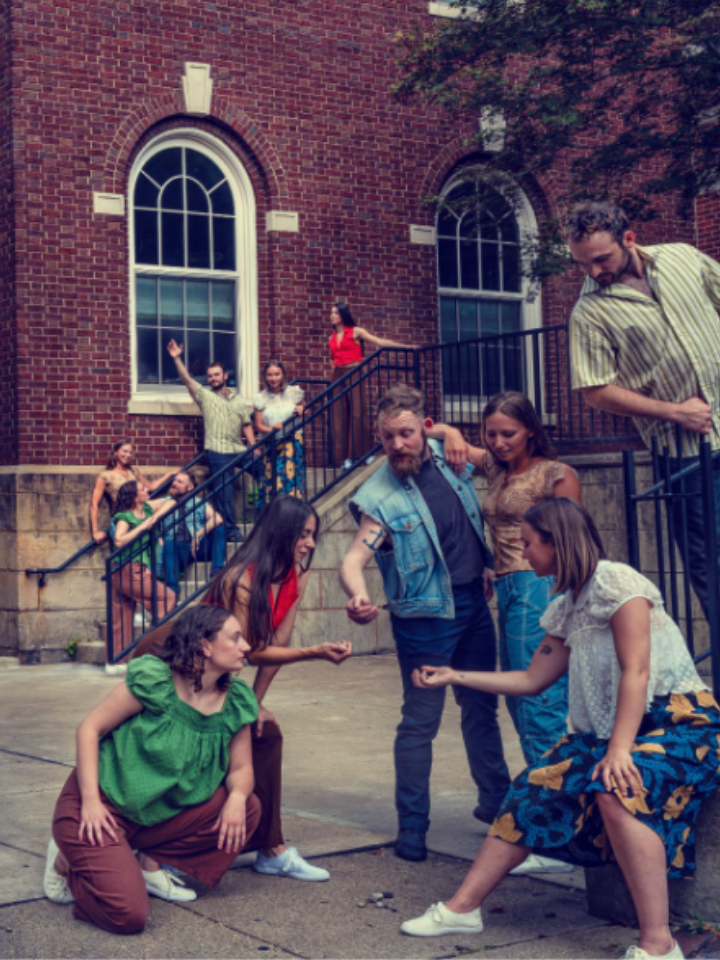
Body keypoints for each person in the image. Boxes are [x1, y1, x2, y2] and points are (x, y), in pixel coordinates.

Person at [401, 498, 720, 960]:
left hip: (678, 722)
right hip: (615, 730)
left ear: (558, 542)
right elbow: (531, 680)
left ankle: (659, 944)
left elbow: (637, 671)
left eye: (529, 544)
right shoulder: (567, 606)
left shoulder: (616, 582)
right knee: (532, 785)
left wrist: (619, 749)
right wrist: (454, 675)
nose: (523, 554)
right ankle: (462, 909)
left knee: (616, 786)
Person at [133, 495, 353, 882]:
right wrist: (316, 652)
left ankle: (271, 849)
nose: (310, 544)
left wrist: (253, 703)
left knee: (265, 733)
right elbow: (247, 651)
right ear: (281, 532)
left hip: (216, 667)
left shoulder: (294, 575)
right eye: (303, 534)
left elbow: (274, 648)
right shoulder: (242, 579)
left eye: (313, 535)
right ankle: (157, 848)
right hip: (174, 658)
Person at [339, 383, 511, 864]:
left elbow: (502, 465)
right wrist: (358, 594)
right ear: (378, 435)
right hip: (424, 620)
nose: (398, 445)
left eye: (407, 434)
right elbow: (353, 559)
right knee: (421, 723)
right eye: (388, 436)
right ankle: (412, 828)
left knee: (482, 710)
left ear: (424, 428)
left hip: (474, 608)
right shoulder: (376, 496)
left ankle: (497, 806)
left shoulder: (446, 452)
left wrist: (485, 561)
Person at [43, 604, 261, 935]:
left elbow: (242, 768)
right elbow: (89, 729)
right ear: (205, 646)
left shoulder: (236, 700)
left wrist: (237, 797)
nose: (245, 646)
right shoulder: (157, 681)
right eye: (235, 638)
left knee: (247, 807)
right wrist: (90, 802)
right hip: (102, 806)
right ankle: (69, 864)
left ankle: (139, 861)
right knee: (128, 915)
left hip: (152, 817)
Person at [432, 391, 581, 875]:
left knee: (539, 704)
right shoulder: (498, 469)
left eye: (508, 433)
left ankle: (554, 833)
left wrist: (562, 600)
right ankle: (553, 820)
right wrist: (450, 432)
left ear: (531, 431)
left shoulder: (555, 475)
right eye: (490, 433)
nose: (497, 442)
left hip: (539, 590)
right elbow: (455, 445)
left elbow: (573, 541)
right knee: (522, 703)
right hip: (509, 590)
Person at [566, 201, 720, 620]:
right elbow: (596, 391)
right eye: (584, 264)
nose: (594, 271)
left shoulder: (683, 258)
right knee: (712, 565)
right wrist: (675, 412)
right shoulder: (589, 312)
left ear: (628, 239)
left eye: (602, 259)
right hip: (687, 451)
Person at [167, 339, 255, 542]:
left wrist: (253, 446)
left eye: (217, 375)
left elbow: (246, 424)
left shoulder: (238, 399)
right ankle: (232, 532)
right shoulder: (205, 396)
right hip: (218, 451)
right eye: (210, 376)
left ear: (225, 376)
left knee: (264, 469)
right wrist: (177, 358)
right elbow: (188, 380)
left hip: (239, 449)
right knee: (225, 490)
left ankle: (273, 510)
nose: (213, 378)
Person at [328, 301, 414, 469]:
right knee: (339, 416)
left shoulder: (355, 331)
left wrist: (406, 347)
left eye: (336, 313)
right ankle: (346, 457)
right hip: (338, 376)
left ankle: (362, 454)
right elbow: (332, 360)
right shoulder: (330, 338)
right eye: (331, 313)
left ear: (343, 315)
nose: (332, 316)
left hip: (354, 371)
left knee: (358, 413)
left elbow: (380, 342)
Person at [109, 480, 176, 672]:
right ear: (134, 496)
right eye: (142, 489)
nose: (147, 490)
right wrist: (144, 526)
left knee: (123, 613)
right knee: (167, 596)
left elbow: (170, 502)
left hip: (135, 567)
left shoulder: (147, 508)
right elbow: (119, 541)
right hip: (126, 568)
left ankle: (118, 661)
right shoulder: (125, 517)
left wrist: (154, 518)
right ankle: (153, 650)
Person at [89, 439, 173, 545]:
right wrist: (95, 531)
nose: (128, 455)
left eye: (130, 452)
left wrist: (169, 474)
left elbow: (151, 486)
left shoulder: (134, 471)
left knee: (171, 502)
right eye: (124, 451)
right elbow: (94, 504)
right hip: (124, 513)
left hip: (139, 510)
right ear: (116, 452)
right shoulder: (105, 475)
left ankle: (164, 535)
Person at [160, 471, 227, 596]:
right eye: (174, 481)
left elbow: (217, 519)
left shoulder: (199, 503)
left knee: (219, 528)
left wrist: (198, 534)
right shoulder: (164, 502)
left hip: (196, 547)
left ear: (190, 487)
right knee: (169, 544)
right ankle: (172, 590)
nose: (174, 483)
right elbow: (145, 511)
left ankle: (217, 571)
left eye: (179, 482)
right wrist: (157, 537)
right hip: (177, 549)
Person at [253, 359, 305, 510]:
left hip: (292, 440)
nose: (273, 378)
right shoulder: (261, 397)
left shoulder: (293, 392)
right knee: (272, 480)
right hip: (271, 443)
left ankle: (293, 512)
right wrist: (272, 429)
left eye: (277, 374)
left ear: (282, 375)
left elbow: (306, 410)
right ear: (265, 377)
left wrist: (302, 410)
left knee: (291, 478)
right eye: (270, 375)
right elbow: (258, 424)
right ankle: (273, 514)